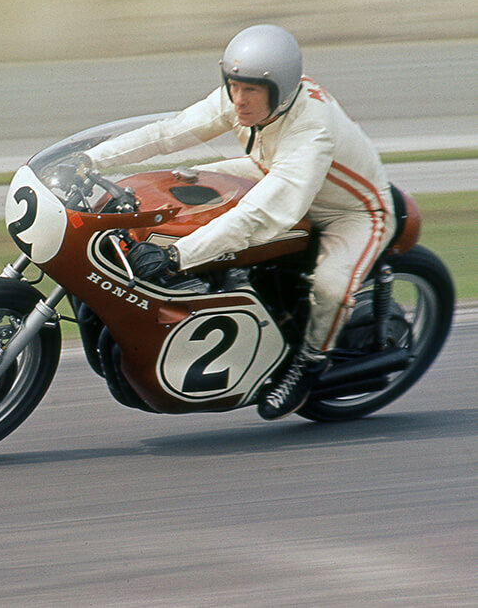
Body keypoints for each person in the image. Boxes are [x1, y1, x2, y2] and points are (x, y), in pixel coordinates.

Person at [80, 24, 395, 420]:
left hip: (350, 211)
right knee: (184, 180)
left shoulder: (311, 129)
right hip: (277, 172)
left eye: (251, 90)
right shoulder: (246, 99)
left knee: (330, 287)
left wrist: (177, 256)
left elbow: (258, 215)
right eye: (233, 85)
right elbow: (169, 133)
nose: (239, 100)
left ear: (279, 90)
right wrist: (92, 159)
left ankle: (311, 363)